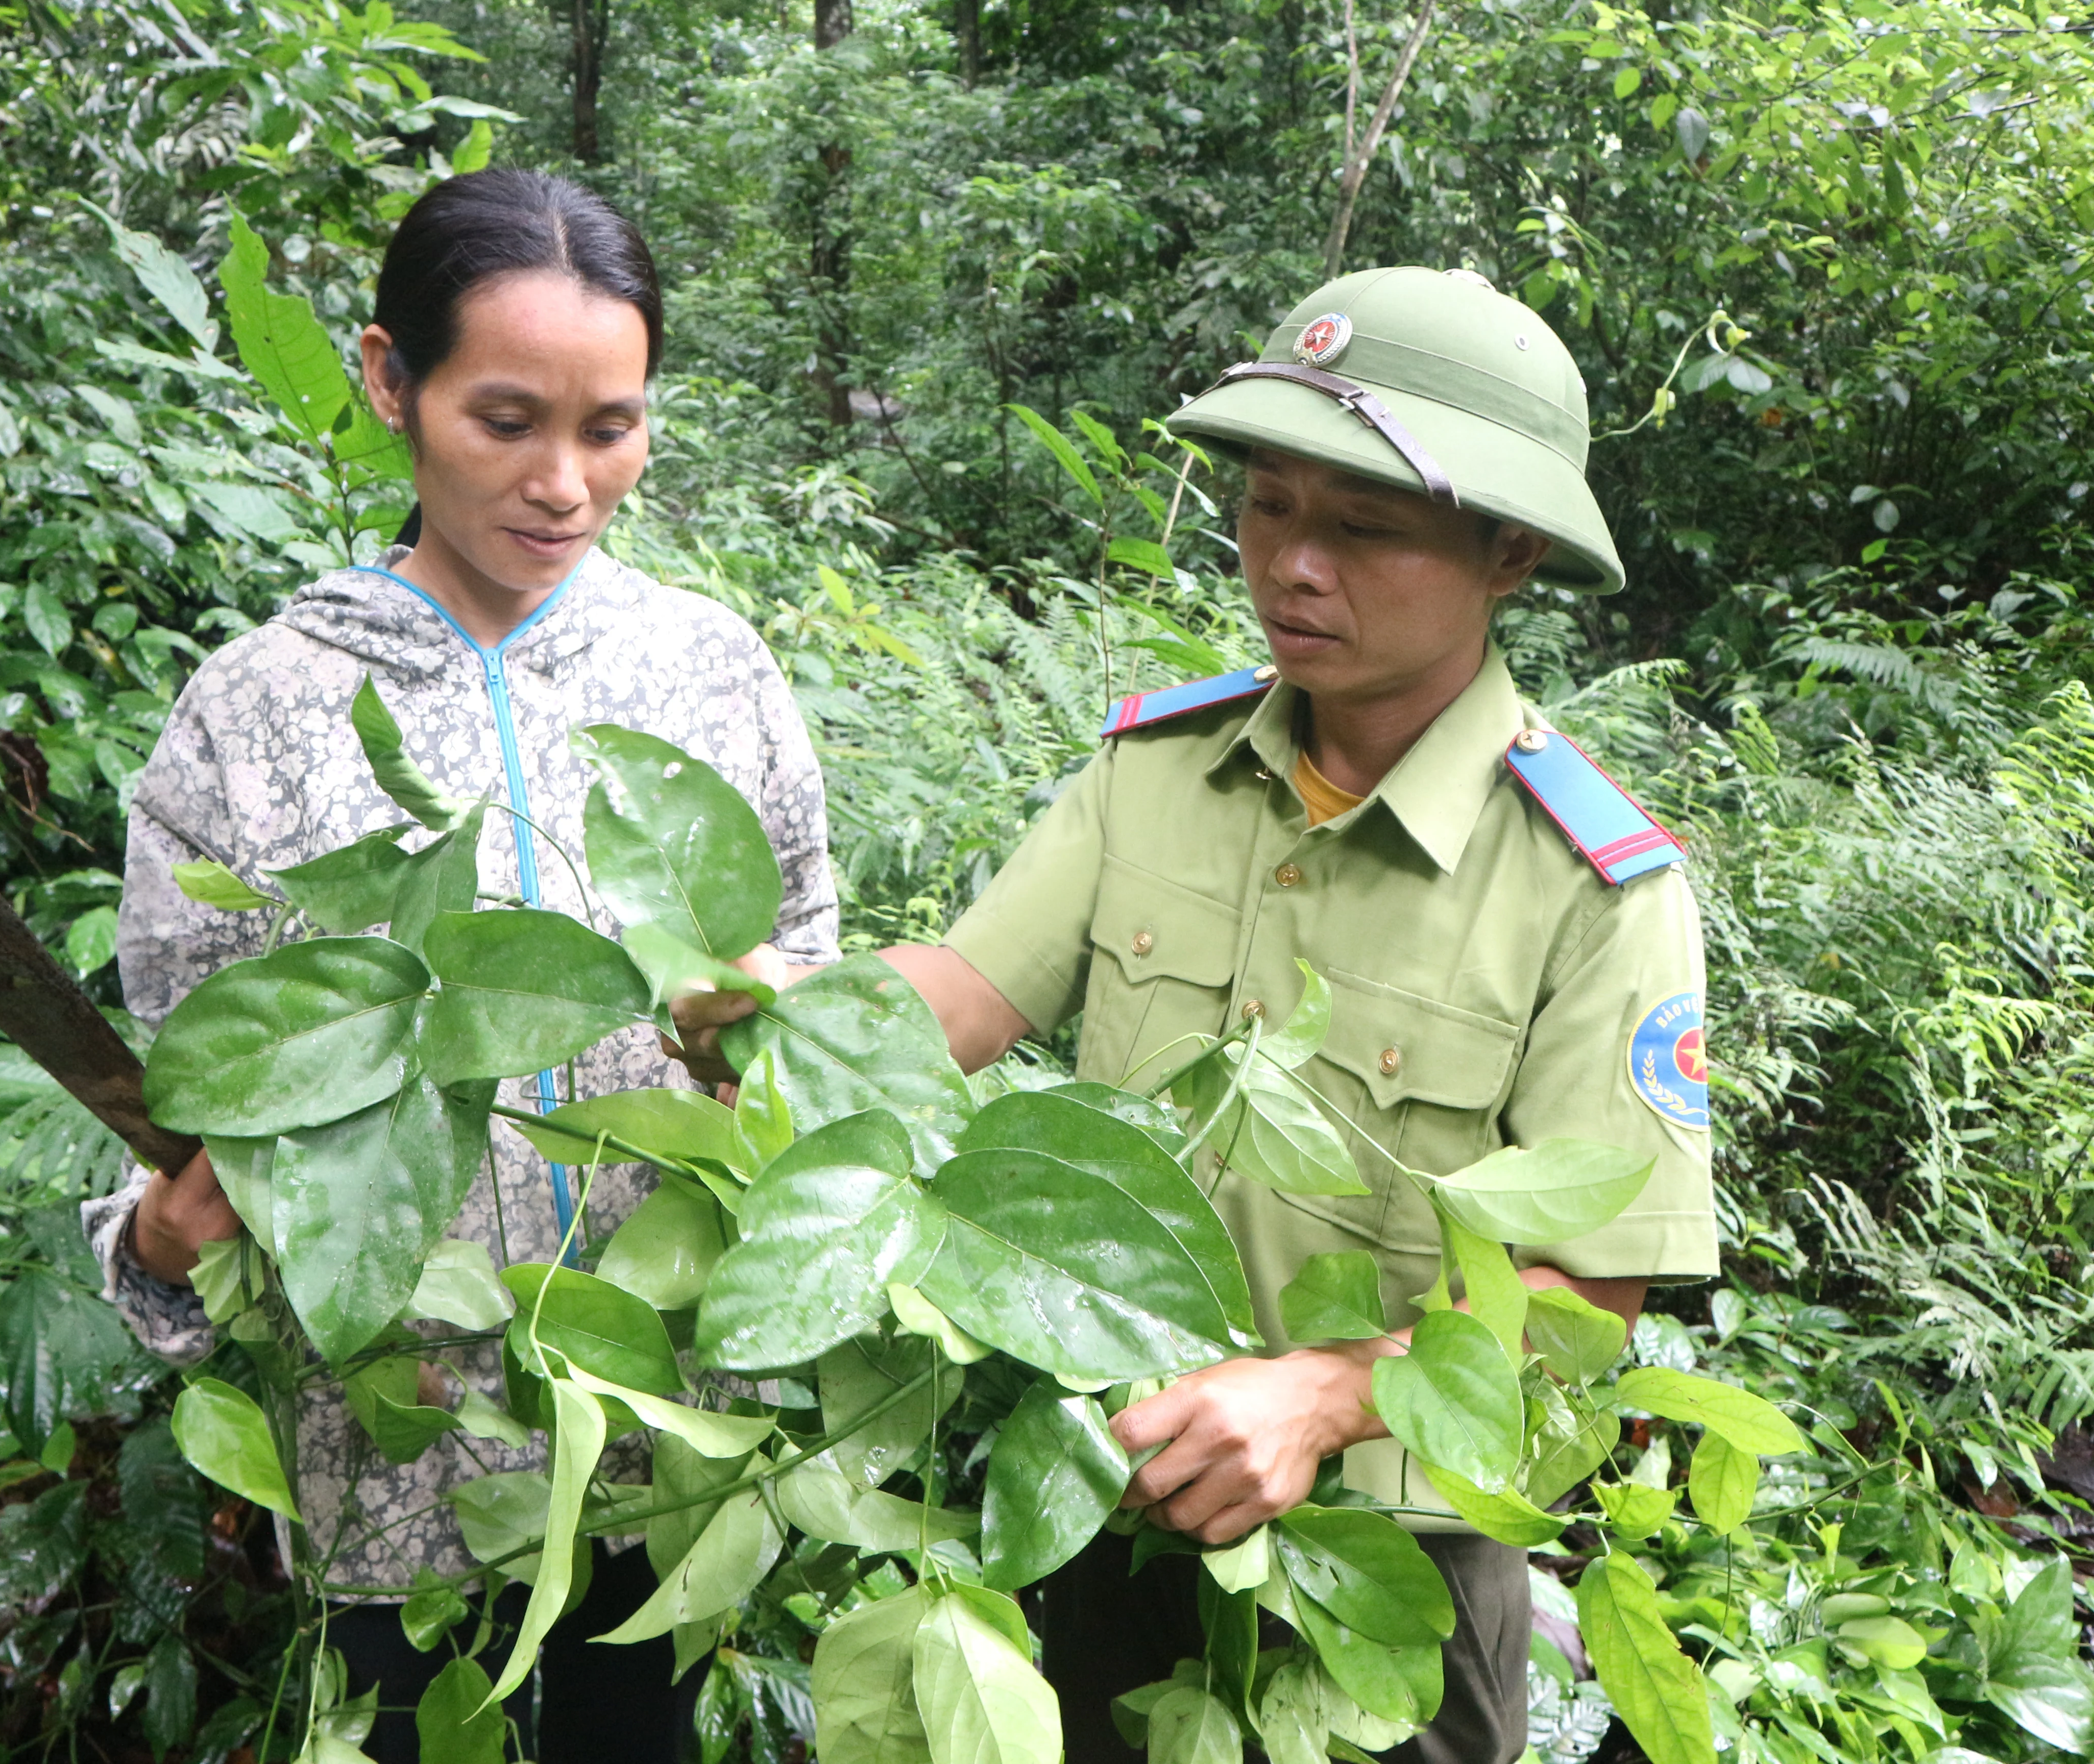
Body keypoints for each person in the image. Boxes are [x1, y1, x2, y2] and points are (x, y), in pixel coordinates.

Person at [674, 265, 1716, 1763]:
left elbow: (1589, 1299)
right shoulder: (1156, 773)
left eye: (1362, 528)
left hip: (1378, 1588)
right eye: (1268, 507)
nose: (1293, 564)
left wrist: (1326, 1396)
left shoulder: (1591, 886)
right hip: (1099, 1498)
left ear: (1509, 553)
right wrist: (791, 1017)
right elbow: (959, 999)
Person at [82, 168, 836, 1764]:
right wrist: (164, 1238)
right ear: (386, 380)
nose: (564, 483)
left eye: (613, 427)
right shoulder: (256, 714)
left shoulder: (712, 677)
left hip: (670, 1450)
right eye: (507, 420)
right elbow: (184, 1103)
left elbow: (815, 1031)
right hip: (388, 1465)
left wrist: (761, 1043)